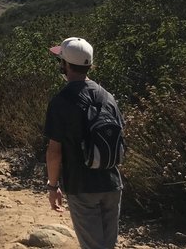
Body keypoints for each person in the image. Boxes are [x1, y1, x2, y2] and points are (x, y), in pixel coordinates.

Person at [43, 37, 123, 249]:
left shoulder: (61, 101)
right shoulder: (107, 97)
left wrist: (53, 186)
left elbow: (54, 152)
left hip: (82, 185)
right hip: (112, 182)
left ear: (66, 65)